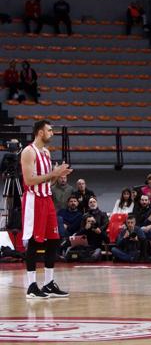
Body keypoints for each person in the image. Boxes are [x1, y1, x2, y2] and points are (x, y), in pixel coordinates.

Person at [20, 119, 73, 299]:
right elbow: (29, 181)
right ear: (40, 132)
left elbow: (48, 181)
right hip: (34, 200)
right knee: (35, 242)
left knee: (53, 240)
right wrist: (54, 173)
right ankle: (31, 286)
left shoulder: (46, 152)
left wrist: (57, 176)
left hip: (47, 198)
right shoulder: (28, 152)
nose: (52, 133)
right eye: (49, 130)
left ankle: (49, 283)